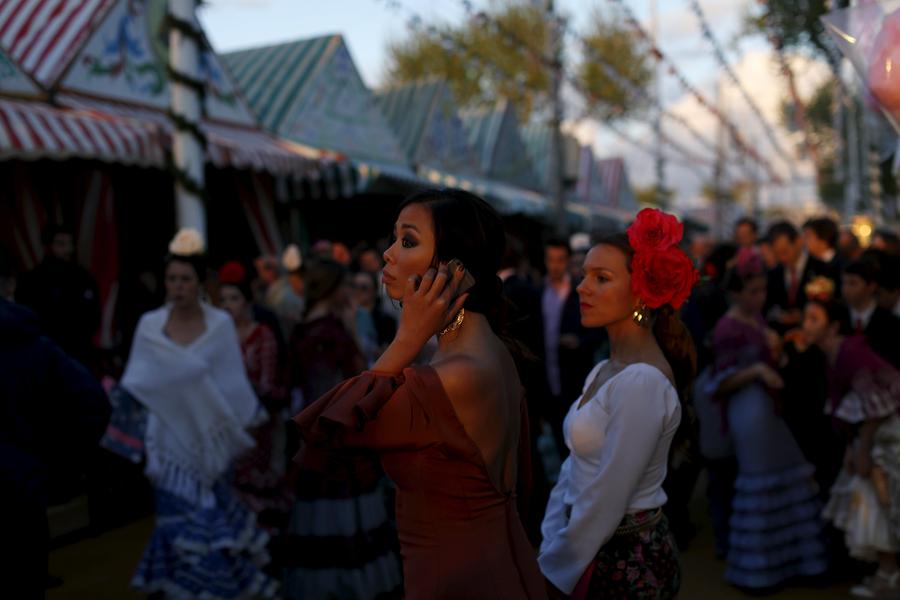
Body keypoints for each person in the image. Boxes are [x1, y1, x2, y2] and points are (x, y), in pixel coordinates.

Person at [293, 188, 546, 599]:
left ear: (451, 270)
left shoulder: (453, 377)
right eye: (394, 238)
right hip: (488, 565)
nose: (388, 254)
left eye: (408, 241)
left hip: (458, 579)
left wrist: (406, 339)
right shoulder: (491, 352)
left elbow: (329, 438)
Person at [539, 208, 697, 599]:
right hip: (588, 549)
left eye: (601, 278)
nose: (582, 287)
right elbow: (574, 468)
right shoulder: (606, 370)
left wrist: (550, 573)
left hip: (624, 563)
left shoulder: (641, 381)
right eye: (584, 276)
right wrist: (548, 544)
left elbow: (608, 498)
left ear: (642, 290)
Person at [122, 229, 276, 599]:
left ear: (200, 283)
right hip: (167, 449)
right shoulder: (149, 327)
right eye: (172, 279)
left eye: (185, 279)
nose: (177, 286)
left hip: (210, 448)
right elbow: (136, 383)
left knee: (212, 532)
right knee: (178, 533)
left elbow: (233, 387)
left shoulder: (219, 326)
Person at [707, 248, 828, 590]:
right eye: (753, 291)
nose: (759, 297)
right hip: (749, 410)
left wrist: (774, 353)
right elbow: (720, 381)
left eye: (762, 290)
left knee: (783, 474)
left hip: (768, 408)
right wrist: (758, 369)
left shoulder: (755, 320)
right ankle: (759, 570)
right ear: (735, 293)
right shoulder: (727, 327)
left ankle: (787, 564)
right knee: (761, 481)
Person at [284, 257, 403, 600]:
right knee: (344, 526)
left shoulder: (305, 328)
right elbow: (340, 391)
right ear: (334, 289)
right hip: (334, 440)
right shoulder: (328, 333)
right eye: (346, 286)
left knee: (322, 524)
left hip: (315, 440)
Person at [1, 252, 110, 599]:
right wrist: (58, 464)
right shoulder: (36, 347)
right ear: (11, 285)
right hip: (23, 490)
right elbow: (93, 405)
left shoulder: (34, 345)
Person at [802, 281, 900, 599]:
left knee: (881, 500)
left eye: (813, 319)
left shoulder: (849, 354)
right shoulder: (838, 353)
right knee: (875, 501)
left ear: (833, 326)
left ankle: (888, 574)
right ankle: (887, 573)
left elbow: (875, 409)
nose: (806, 325)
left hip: (889, 434)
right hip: (876, 434)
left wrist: (864, 451)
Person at [218, 261, 292, 533]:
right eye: (223, 299)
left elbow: (269, 384)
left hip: (258, 423)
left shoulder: (262, 334)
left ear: (246, 301)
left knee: (260, 491)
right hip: (226, 425)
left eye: (234, 298)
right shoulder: (217, 336)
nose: (227, 305)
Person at [540, 238, 604, 458]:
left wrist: (580, 343)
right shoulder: (538, 291)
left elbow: (598, 330)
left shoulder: (581, 292)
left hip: (574, 377)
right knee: (558, 439)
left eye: (560, 260)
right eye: (551, 260)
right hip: (547, 379)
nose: (555, 265)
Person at [15, 224, 101, 369]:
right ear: (48, 246)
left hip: (79, 354)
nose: (67, 250)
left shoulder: (83, 278)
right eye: (61, 244)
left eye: (70, 244)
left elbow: (93, 316)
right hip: (44, 354)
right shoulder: (31, 281)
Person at [764, 221, 836, 334]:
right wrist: (777, 315)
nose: (782, 258)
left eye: (785, 252)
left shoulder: (822, 269)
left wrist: (803, 315)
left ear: (798, 242)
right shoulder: (773, 273)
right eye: (777, 254)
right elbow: (766, 306)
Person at [842, 258, 900, 368]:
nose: (846, 289)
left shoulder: (890, 323)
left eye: (853, 283)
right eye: (844, 283)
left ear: (871, 286)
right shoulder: (838, 317)